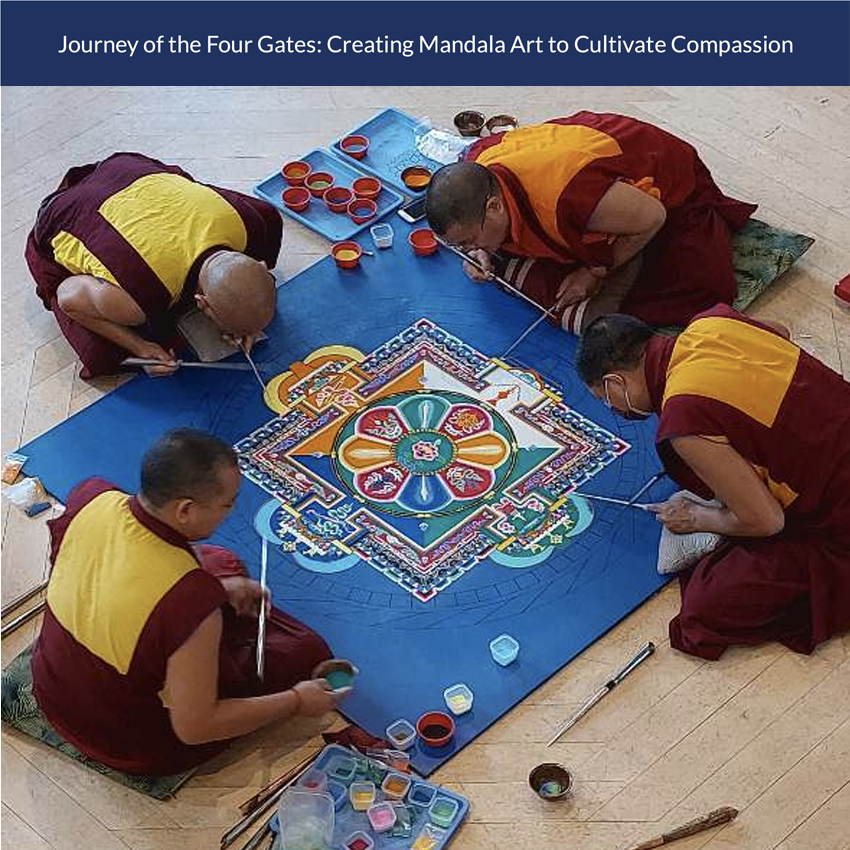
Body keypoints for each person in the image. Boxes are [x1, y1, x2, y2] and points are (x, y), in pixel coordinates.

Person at [32, 429, 344, 776]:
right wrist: (297, 700)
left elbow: (99, 573)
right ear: (185, 510)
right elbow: (196, 728)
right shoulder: (192, 604)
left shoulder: (92, 497)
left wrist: (220, 591)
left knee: (221, 563)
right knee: (307, 651)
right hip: (123, 740)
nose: (231, 511)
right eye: (227, 504)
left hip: (50, 687)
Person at [574, 303, 850, 660]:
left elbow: (767, 521)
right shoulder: (711, 322)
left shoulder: (684, 416)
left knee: (704, 609)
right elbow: (779, 331)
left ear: (615, 382)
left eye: (606, 398)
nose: (614, 410)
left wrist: (697, 519)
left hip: (839, 516)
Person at [426, 112, 757, 334]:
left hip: (656, 179)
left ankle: (615, 263)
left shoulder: (568, 194)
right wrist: (481, 253)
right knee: (499, 255)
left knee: (701, 284)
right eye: (462, 246)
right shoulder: (477, 164)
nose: (468, 251)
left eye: (469, 241)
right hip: (577, 157)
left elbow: (653, 216)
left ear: (495, 206)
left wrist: (593, 271)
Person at [25, 152, 283, 378]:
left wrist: (242, 321)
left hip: (127, 167)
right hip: (63, 211)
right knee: (101, 354)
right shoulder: (135, 300)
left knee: (267, 215)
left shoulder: (251, 224)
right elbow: (68, 297)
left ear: (259, 263)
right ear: (201, 302)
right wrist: (138, 347)